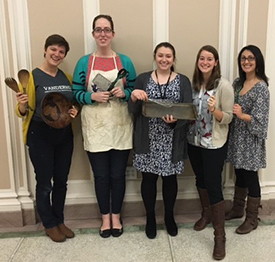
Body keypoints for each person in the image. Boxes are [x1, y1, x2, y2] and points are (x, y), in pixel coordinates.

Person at [72, 14, 136, 238]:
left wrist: (125, 93)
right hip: (95, 126)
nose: (103, 34)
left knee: (118, 175)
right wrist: (91, 97)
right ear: (93, 34)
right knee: (100, 175)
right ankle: (104, 217)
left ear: (113, 34)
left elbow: (135, 90)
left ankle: (116, 216)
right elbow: (75, 92)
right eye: (98, 30)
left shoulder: (125, 62)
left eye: (107, 29)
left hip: (119, 125)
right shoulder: (84, 62)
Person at [15, 34, 78, 242]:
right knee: (44, 183)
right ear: (45, 50)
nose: (57, 54)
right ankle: (49, 223)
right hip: (39, 134)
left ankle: (59, 220)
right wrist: (22, 103)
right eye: (53, 49)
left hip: (63, 135)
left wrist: (73, 111)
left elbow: (71, 104)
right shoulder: (32, 77)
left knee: (61, 181)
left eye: (61, 51)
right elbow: (21, 112)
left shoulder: (66, 78)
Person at [128, 42, 192, 239]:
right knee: (148, 179)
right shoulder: (142, 79)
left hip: (172, 140)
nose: (164, 59)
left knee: (170, 180)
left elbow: (188, 112)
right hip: (147, 138)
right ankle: (150, 217)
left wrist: (174, 123)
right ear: (155, 57)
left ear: (174, 59)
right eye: (160, 55)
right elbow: (133, 112)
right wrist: (133, 97)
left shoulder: (183, 81)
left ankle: (169, 216)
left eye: (168, 56)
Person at [187, 45, 234, 260]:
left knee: (214, 185)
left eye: (209, 59)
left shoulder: (223, 86)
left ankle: (219, 237)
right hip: (194, 141)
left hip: (214, 143)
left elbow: (229, 118)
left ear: (215, 62)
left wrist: (215, 111)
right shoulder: (194, 84)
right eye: (202, 58)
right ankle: (206, 214)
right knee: (201, 179)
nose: (205, 62)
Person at [226, 45, 269, 234]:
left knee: (251, 177)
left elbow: (261, 120)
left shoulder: (261, 88)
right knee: (239, 173)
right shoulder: (237, 83)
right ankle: (237, 209)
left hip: (251, 140)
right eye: (243, 58)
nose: (246, 62)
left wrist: (242, 115)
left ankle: (252, 219)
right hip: (237, 138)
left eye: (251, 58)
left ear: (258, 61)